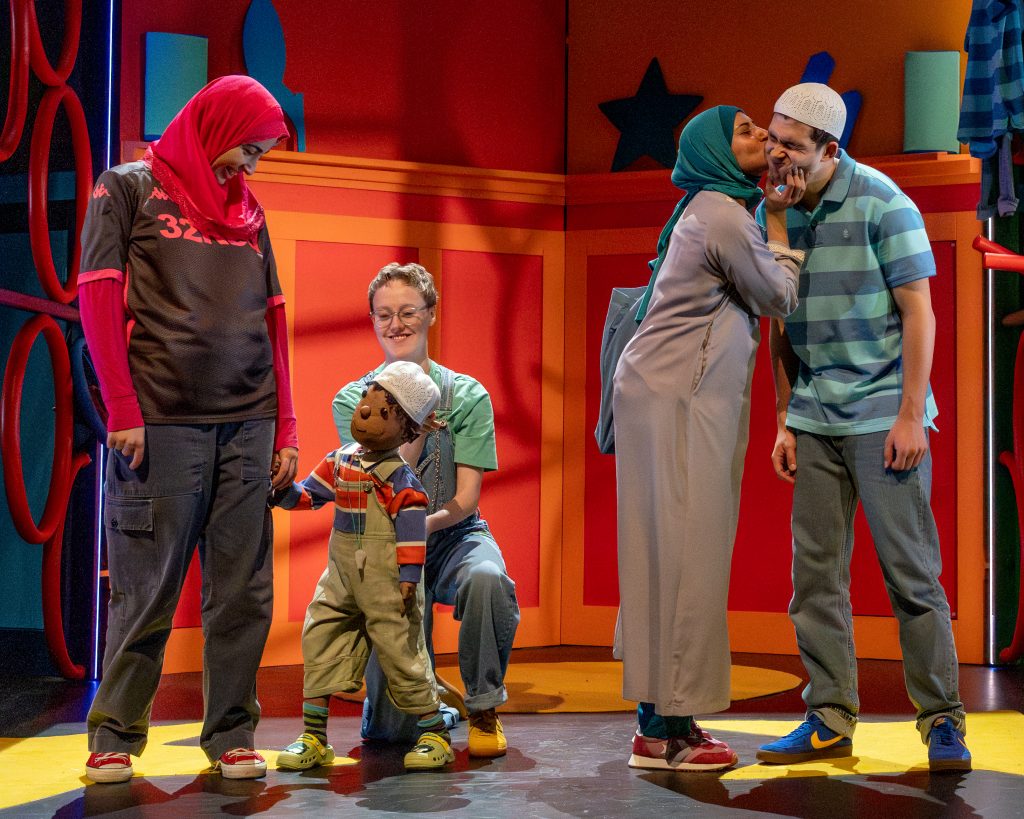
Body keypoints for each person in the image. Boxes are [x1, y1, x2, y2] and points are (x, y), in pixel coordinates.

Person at [78, 75, 298, 783]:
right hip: (161, 419)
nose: (251, 166)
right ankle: (115, 733)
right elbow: (98, 295)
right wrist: (121, 407)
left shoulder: (250, 213)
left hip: (249, 422)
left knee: (243, 588)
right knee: (148, 583)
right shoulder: (128, 187)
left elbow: (274, 322)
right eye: (248, 148)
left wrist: (285, 427)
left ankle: (232, 731)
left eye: (260, 155)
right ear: (216, 125)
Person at [755, 83, 970, 772]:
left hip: (882, 415)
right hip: (815, 416)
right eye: (772, 137)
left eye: (790, 144)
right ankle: (828, 714)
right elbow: (780, 322)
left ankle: (941, 717)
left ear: (830, 150)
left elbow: (919, 312)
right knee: (814, 574)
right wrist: (786, 419)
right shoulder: (776, 211)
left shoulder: (883, 200)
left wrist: (911, 412)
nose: (775, 152)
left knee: (910, 573)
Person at [612, 105, 805, 771]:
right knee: (686, 553)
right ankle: (665, 729)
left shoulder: (708, 209)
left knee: (666, 552)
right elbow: (780, 294)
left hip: (665, 399)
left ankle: (661, 722)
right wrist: (779, 217)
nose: (760, 138)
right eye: (745, 130)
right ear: (714, 153)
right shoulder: (724, 214)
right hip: (678, 404)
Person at [332, 262, 520, 758]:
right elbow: (375, 485)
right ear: (372, 321)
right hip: (386, 545)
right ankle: (429, 697)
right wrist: (407, 427)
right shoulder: (353, 400)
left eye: (408, 312)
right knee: (390, 734)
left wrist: (423, 525)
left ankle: (483, 707)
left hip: (453, 533)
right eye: (384, 314)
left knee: (487, 579)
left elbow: (467, 498)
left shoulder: (467, 395)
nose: (396, 324)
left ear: (430, 314)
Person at [273, 362, 460, 771]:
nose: (365, 413)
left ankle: (434, 732)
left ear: (408, 429)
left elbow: (411, 533)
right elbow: (311, 496)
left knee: (402, 652)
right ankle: (313, 736)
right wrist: (283, 493)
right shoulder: (341, 460)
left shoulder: (401, 478)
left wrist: (409, 577)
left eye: (383, 412)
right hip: (340, 576)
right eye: (365, 402)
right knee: (320, 637)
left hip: (387, 581)